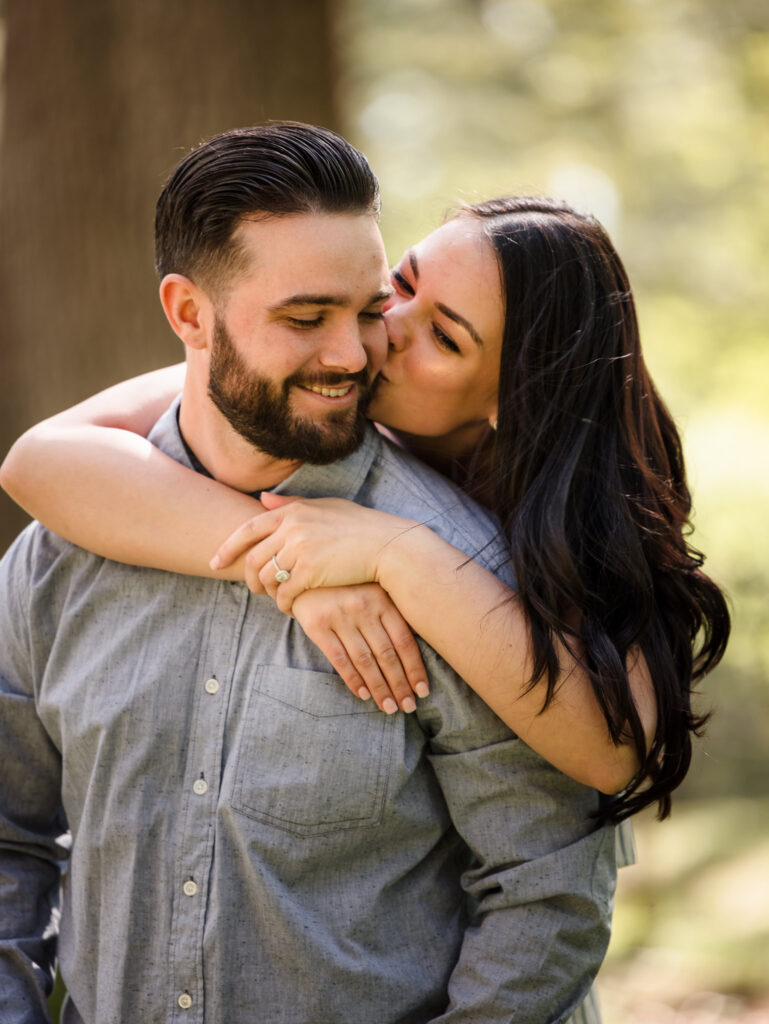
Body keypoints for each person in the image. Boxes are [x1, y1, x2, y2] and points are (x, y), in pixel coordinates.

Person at [0, 123, 620, 1024]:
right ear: (188, 314)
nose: (353, 354)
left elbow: (548, 889)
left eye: (368, 309)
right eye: (305, 318)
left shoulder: (465, 579)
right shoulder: (63, 551)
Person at [1, 197, 729, 819]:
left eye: (443, 337)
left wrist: (401, 555)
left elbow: (614, 755)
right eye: (399, 288)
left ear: (513, 404)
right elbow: (41, 460)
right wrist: (292, 568)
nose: (378, 335)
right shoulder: (321, 378)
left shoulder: (568, 515)